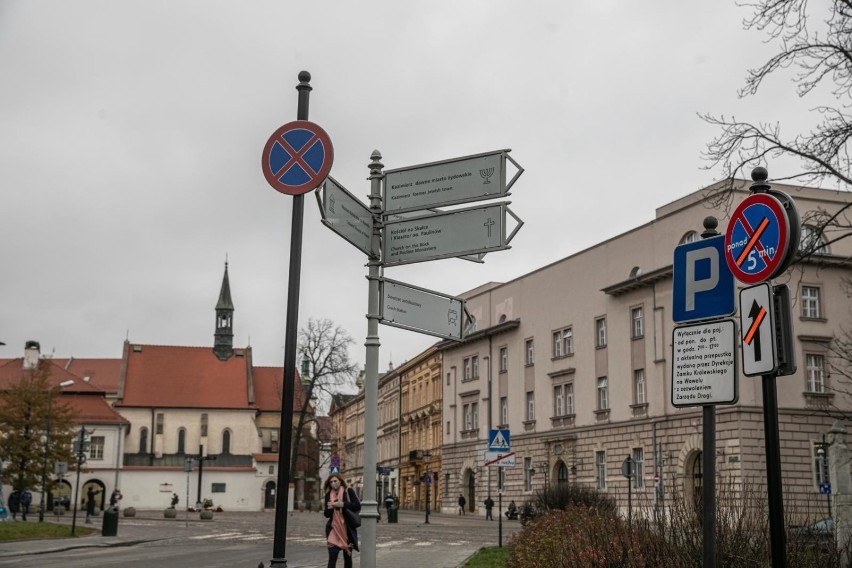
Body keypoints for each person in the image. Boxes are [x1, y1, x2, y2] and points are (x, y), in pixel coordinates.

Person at [323, 473, 360, 568]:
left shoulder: (348, 491)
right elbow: (326, 514)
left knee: (348, 557)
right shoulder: (328, 494)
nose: (333, 483)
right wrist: (330, 508)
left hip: (348, 531)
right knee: (332, 556)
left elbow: (357, 505)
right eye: (331, 482)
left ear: (340, 481)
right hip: (333, 530)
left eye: (335, 481)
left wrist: (343, 504)